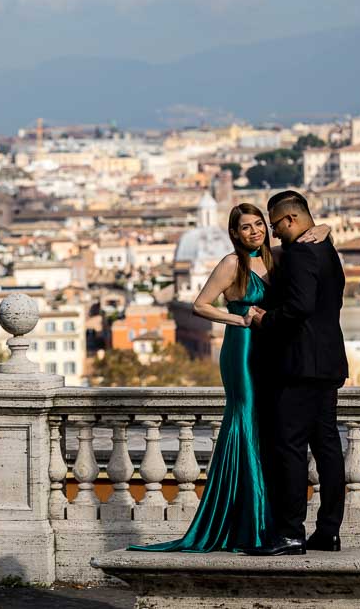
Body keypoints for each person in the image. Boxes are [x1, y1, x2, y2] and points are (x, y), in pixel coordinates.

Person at [128, 202, 328, 553]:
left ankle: (266, 519)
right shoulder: (231, 263)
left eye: (259, 224)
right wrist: (239, 319)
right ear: (234, 233)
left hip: (272, 349)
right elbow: (199, 305)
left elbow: (316, 236)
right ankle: (249, 524)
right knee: (246, 420)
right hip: (243, 349)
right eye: (246, 227)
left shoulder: (277, 258)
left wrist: (324, 228)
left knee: (267, 427)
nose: (255, 231)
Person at [245, 191, 348, 556]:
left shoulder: (303, 252)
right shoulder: (325, 248)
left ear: (290, 220)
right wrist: (326, 229)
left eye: (275, 226)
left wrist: (264, 319)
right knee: (328, 448)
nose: (274, 234)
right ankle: (329, 531)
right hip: (328, 363)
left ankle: (290, 533)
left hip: (300, 366)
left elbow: (300, 307)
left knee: (289, 448)